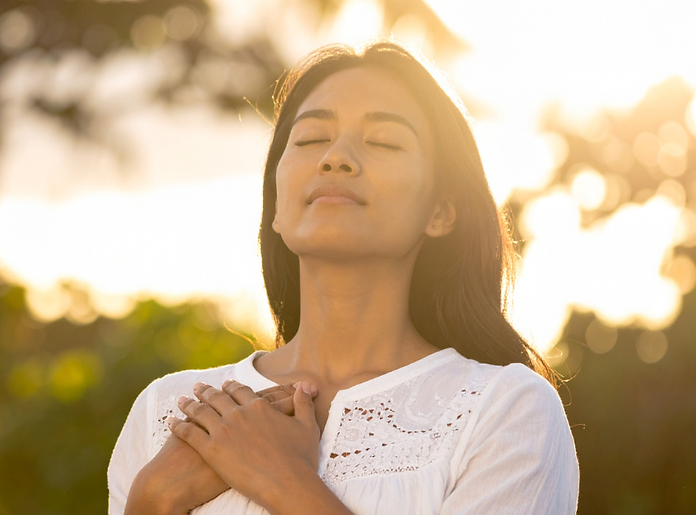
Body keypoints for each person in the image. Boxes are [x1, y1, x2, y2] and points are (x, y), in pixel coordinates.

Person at [108, 40, 579, 515]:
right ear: (275, 206)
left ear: (440, 210)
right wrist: (152, 499)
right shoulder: (170, 410)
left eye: (384, 142)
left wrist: (280, 479)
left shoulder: (504, 410)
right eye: (311, 139)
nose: (336, 158)